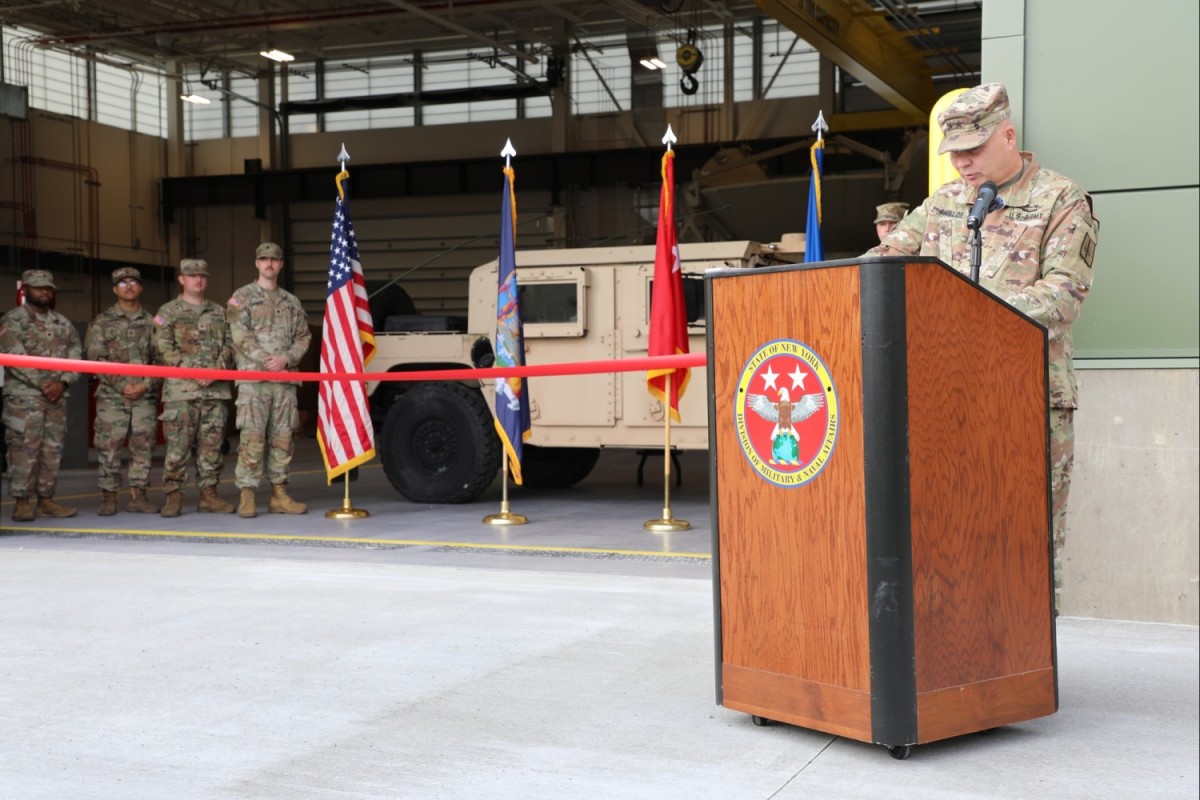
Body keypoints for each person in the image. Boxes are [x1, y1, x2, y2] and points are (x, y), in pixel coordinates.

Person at [867, 83, 1098, 597]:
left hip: (1026, 396)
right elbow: (882, 264)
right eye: (955, 154)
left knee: (1024, 540)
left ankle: (1027, 671)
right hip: (943, 394)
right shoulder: (946, 201)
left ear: (1008, 136)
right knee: (949, 537)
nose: (963, 165)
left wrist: (965, 317)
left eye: (973, 151)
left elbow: (1063, 296)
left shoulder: (1061, 199)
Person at [226, 242, 311, 517]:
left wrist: (286, 359)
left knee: (283, 438)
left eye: (274, 260)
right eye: (264, 259)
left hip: (285, 381)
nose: (269, 264)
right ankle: (247, 496)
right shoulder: (241, 297)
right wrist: (266, 360)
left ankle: (279, 495)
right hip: (254, 381)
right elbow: (239, 335)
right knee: (251, 438)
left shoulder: (291, 302)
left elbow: (303, 336)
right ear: (256, 263)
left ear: (281, 264)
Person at [152, 258, 235, 517]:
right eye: (192, 276)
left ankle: (209, 496)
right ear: (181, 279)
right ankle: (173, 496)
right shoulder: (167, 312)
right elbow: (162, 347)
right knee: (178, 447)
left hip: (214, 390)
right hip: (181, 391)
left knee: (212, 446)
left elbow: (231, 345)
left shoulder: (220, 312)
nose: (198, 280)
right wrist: (193, 371)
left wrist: (215, 370)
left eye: (202, 276)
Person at [0, 269, 82, 521]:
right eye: (38, 287)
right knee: (23, 449)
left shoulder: (63, 323)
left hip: (57, 397)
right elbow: (15, 357)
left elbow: (76, 355)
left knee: (52, 449)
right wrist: (45, 384)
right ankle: (22, 502)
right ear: (25, 290)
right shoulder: (12, 320)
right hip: (24, 398)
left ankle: (46, 500)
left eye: (48, 288)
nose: (44, 291)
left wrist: (63, 383)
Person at [84, 266, 161, 515]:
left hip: (144, 395)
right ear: (114, 288)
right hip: (111, 396)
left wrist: (144, 385)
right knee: (109, 446)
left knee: (143, 445)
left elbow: (162, 360)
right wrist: (121, 384)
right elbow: (95, 357)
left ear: (140, 287)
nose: (129, 286)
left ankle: (139, 496)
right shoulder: (101, 322)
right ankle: (109, 497)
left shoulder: (153, 323)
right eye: (123, 282)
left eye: (133, 282)